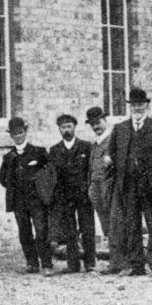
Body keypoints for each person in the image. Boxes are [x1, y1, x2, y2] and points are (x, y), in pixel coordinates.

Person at [108, 87, 152, 277]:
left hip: (151, 185)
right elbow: (113, 152)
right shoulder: (120, 129)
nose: (137, 108)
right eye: (133, 105)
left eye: (140, 105)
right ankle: (136, 264)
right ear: (129, 107)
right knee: (131, 225)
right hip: (128, 185)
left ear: (146, 106)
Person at [0, 116, 52, 274]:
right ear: (11, 135)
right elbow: (2, 178)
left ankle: (47, 264)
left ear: (26, 132)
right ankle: (32, 263)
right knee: (24, 232)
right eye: (15, 134)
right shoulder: (8, 157)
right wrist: (14, 187)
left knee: (41, 230)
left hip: (36, 200)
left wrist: (40, 188)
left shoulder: (39, 152)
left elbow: (48, 172)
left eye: (21, 132)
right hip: (18, 201)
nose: (18, 136)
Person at [49, 112, 97, 273]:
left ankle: (90, 263)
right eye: (63, 127)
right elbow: (52, 176)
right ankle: (73, 263)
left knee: (87, 228)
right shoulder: (55, 150)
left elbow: (91, 171)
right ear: (59, 130)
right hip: (65, 197)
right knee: (69, 230)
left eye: (69, 126)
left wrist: (88, 189)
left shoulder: (86, 147)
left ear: (74, 127)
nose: (66, 130)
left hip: (83, 195)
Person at [86, 106, 122, 274]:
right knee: (106, 225)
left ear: (105, 121)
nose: (96, 126)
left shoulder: (113, 141)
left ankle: (118, 262)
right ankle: (116, 260)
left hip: (110, 188)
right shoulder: (94, 144)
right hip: (97, 190)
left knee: (115, 224)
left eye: (98, 122)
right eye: (93, 124)